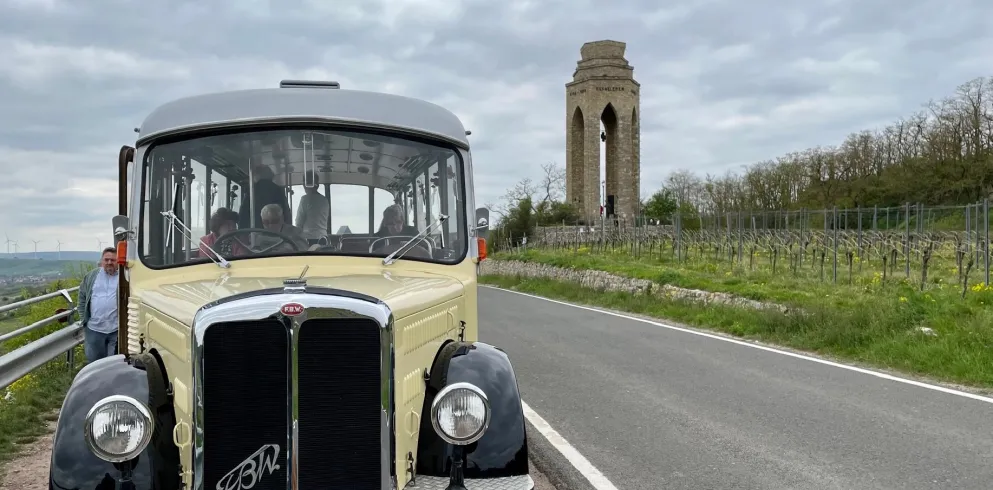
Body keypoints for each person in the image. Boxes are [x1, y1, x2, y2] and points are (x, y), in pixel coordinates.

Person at [78, 247, 119, 362]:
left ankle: (111, 380)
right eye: (106, 260)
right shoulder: (91, 276)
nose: (109, 263)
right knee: (94, 363)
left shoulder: (124, 277)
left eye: (113, 260)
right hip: (94, 329)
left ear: (118, 261)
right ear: (102, 261)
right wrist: (84, 319)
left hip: (116, 330)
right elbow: (81, 298)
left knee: (113, 363)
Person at [239, 164, 291, 230]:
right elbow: (286, 213)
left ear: (256, 176)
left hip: (255, 231)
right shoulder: (278, 190)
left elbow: (243, 214)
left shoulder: (252, 191)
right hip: (277, 231)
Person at [295, 174, 330, 245]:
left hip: (309, 239)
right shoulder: (324, 200)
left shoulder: (305, 199)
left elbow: (299, 222)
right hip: (323, 238)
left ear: (305, 184)